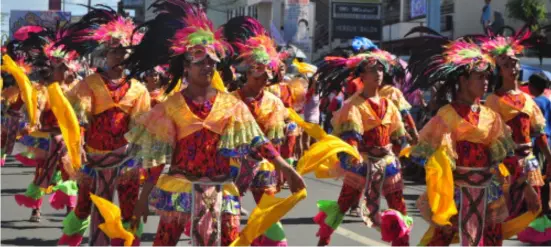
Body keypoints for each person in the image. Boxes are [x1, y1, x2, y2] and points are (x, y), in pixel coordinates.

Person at [122, 2, 305, 246]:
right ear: (186, 67)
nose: (207, 66)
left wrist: (286, 168)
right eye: (199, 61)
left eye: (211, 61)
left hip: (222, 190)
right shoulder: (169, 106)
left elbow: (258, 142)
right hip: (179, 189)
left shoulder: (232, 105)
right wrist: (144, 196)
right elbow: (157, 157)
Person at [407, 34, 515, 246]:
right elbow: (428, 155)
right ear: (463, 80)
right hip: (457, 192)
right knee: (442, 238)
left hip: (488, 190)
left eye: (487, 77)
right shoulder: (447, 114)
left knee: (493, 239)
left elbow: (500, 156)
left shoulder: (490, 116)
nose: (485, 82)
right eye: (479, 77)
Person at [56, 6, 150, 246]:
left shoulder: (139, 89)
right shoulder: (90, 84)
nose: (119, 56)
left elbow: (141, 131)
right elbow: (78, 120)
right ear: (105, 54)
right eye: (114, 51)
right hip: (94, 160)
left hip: (126, 160)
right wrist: (76, 149)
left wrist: (141, 159)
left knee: (128, 212)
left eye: (124, 52)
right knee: (88, 207)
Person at [313, 49, 411, 246]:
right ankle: (324, 240)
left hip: (388, 162)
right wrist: (353, 153)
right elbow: (351, 135)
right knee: (344, 203)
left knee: (398, 207)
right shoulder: (353, 105)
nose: (378, 74)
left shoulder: (388, 104)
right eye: (372, 70)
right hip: (362, 163)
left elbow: (398, 133)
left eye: (381, 70)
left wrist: (409, 149)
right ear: (362, 76)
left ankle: (402, 243)